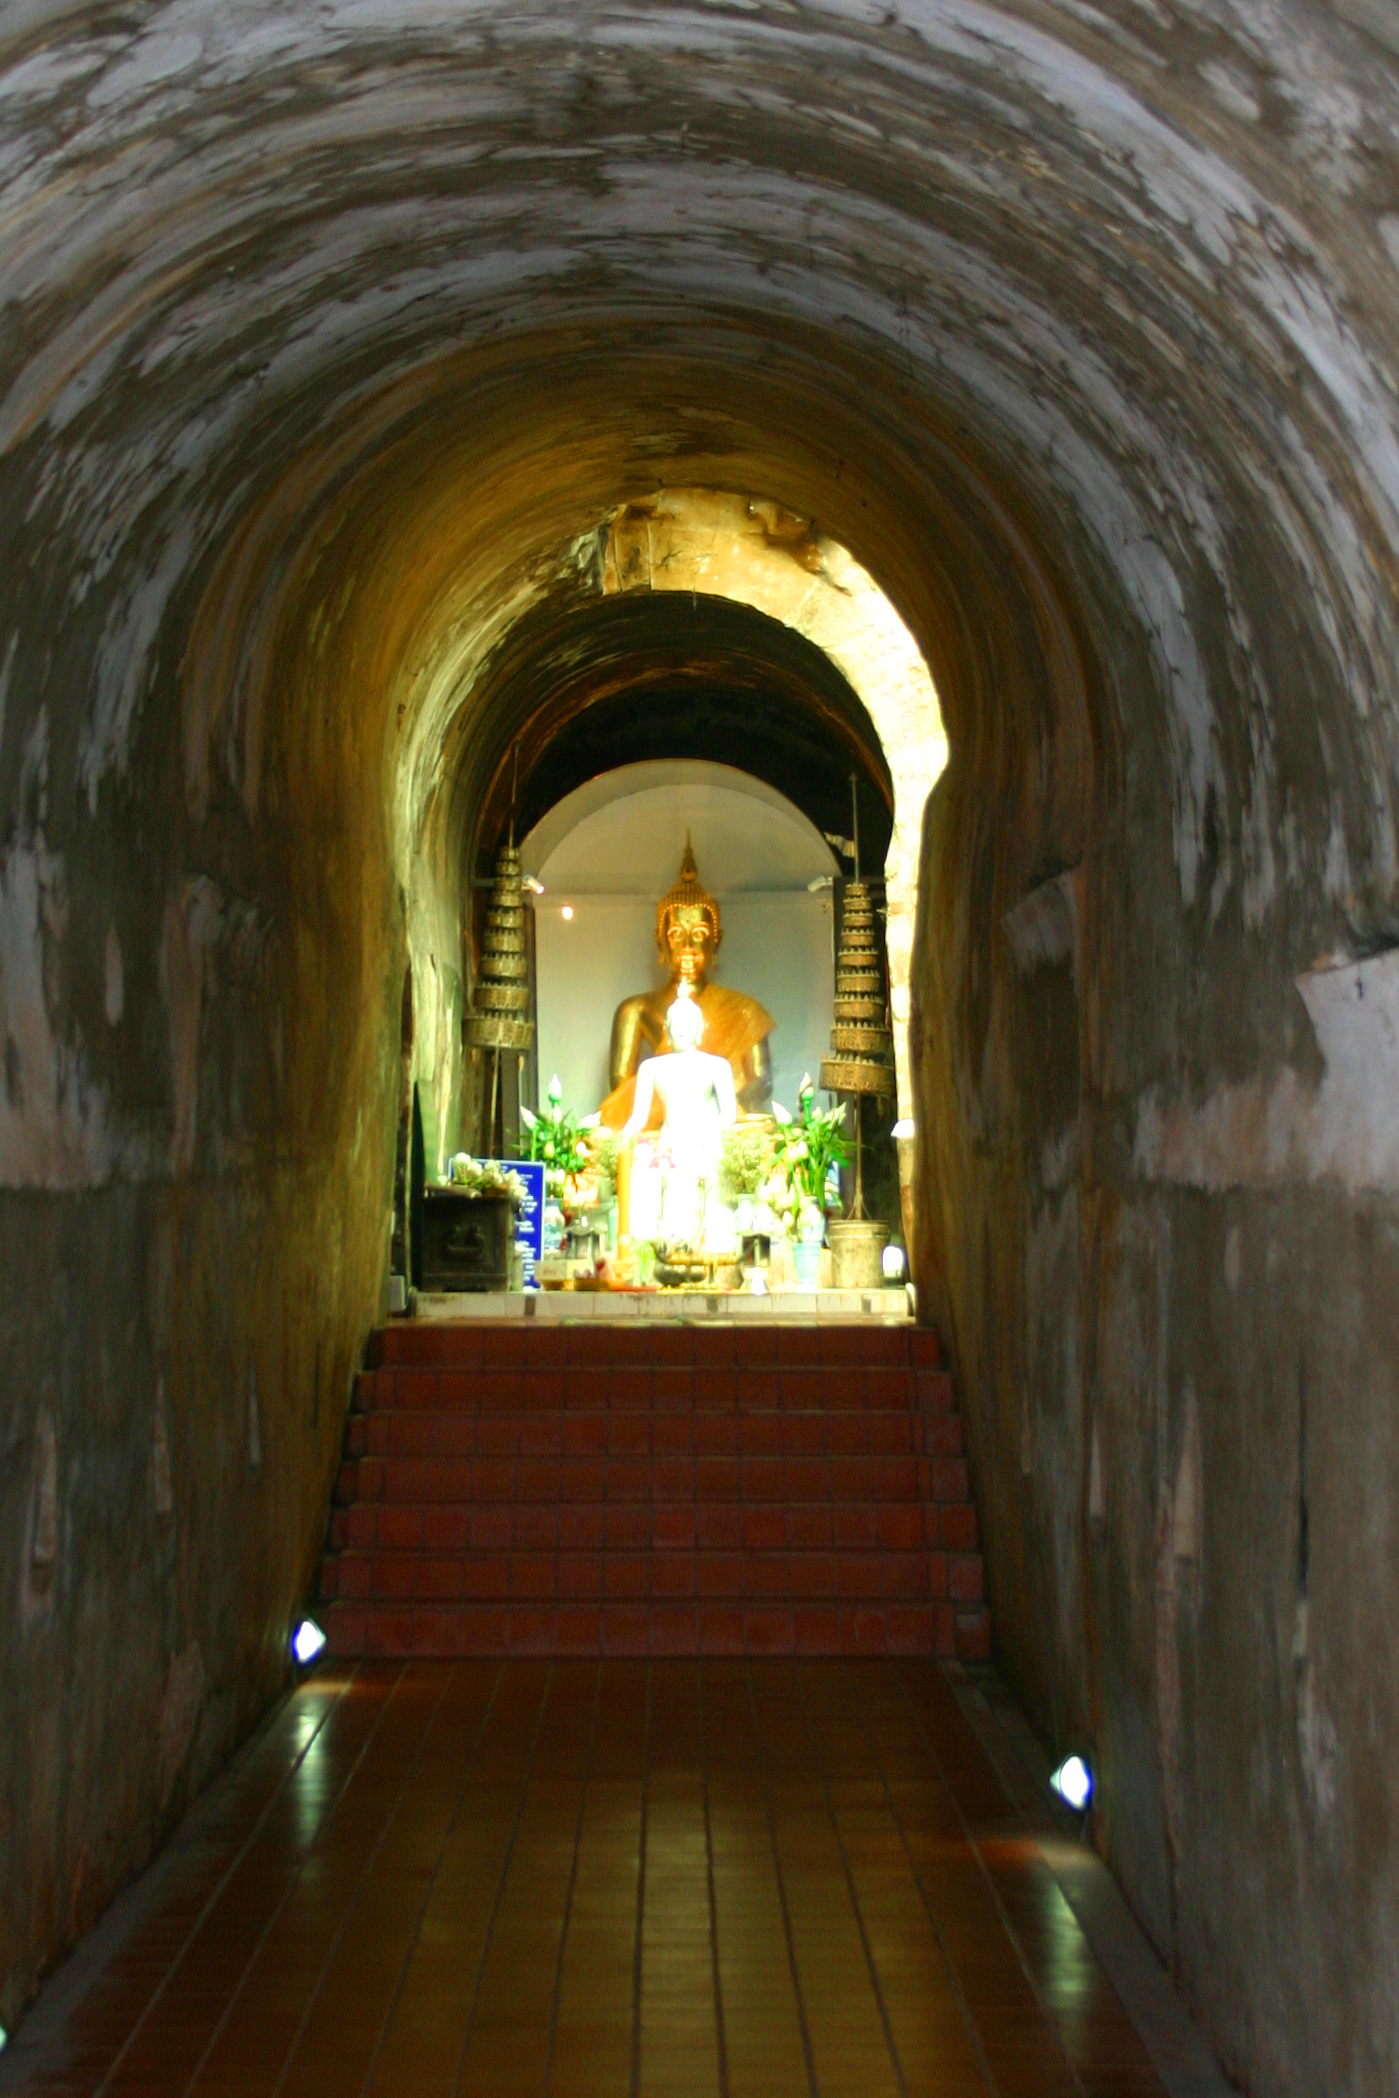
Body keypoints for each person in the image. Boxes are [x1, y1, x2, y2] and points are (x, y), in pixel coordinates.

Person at [599, 838, 773, 1131]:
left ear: (716, 941)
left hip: (717, 1126)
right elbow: (622, 1091)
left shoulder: (746, 1011)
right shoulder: (635, 1010)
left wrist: (712, 1111)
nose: (688, 945)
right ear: (661, 940)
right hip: (659, 1130)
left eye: (700, 933)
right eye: (677, 934)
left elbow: (761, 1080)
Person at [620, 985, 737, 1250]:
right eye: (676, 1023)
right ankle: (655, 1245)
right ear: (667, 1028)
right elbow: (638, 1118)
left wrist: (703, 1134)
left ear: (700, 1029)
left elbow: (728, 1114)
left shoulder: (717, 1066)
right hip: (668, 1148)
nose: (681, 1029)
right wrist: (621, 1141)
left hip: (704, 1145)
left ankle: (709, 1243)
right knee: (643, 1171)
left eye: (688, 1023)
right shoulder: (651, 1067)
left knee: (710, 1181)